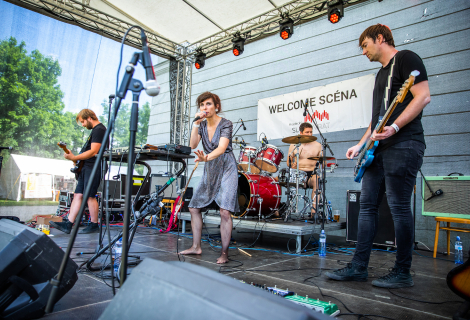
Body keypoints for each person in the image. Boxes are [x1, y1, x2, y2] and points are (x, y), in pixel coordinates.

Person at [325, 24, 430, 288]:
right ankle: (359, 266)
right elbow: (377, 121)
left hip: (404, 144)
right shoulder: (379, 75)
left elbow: (422, 96)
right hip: (378, 150)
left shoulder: (407, 59)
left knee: (398, 206)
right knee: (367, 206)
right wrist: (360, 145)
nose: (363, 52)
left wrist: (395, 127)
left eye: (365, 45)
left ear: (380, 38)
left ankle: (402, 271)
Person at [180, 91, 239, 264]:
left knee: (225, 211)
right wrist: (196, 124)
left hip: (227, 167)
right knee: (193, 207)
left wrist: (207, 157)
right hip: (210, 168)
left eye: (208, 104)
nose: (205, 108)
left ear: (216, 106)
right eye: (202, 105)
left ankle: (224, 253)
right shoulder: (203, 126)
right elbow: (192, 145)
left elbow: (221, 148)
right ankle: (196, 247)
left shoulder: (226, 123)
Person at [50, 109, 107, 234]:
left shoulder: (99, 130)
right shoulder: (95, 131)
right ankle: (68, 224)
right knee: (78, 195)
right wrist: (76, 158)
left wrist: (75, 158)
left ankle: (94, 224)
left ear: (89, 118)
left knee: (90, 196)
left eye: (83, 122)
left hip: (94, 167)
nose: (83, 125)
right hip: (87, 166)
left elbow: (94, 151)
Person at [286, 122, 322, 214]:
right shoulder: (294, 145)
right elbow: (288, 162)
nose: (310, 134)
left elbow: (323, 162)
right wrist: (292, 165)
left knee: (317, 180)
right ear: (301, 133)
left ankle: (314, 212)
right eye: (307, 132)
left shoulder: (317, 145)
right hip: (297, 174)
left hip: (311, 174)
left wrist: (322, 164)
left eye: (311, 132)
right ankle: (277, 209)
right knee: (276, 180)